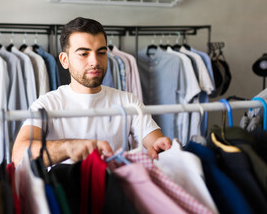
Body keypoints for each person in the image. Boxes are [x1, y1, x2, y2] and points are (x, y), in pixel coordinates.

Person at [12, 17, 172, 166]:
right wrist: (69, 147)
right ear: (64, 60)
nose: (95, 61)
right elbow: (19, 156)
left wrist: (160, 149)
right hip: (65, 195)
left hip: (112, 192)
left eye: (101, 53)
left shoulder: (128, 102)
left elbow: (156, 144)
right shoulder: (47, 104)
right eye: (83, 54)